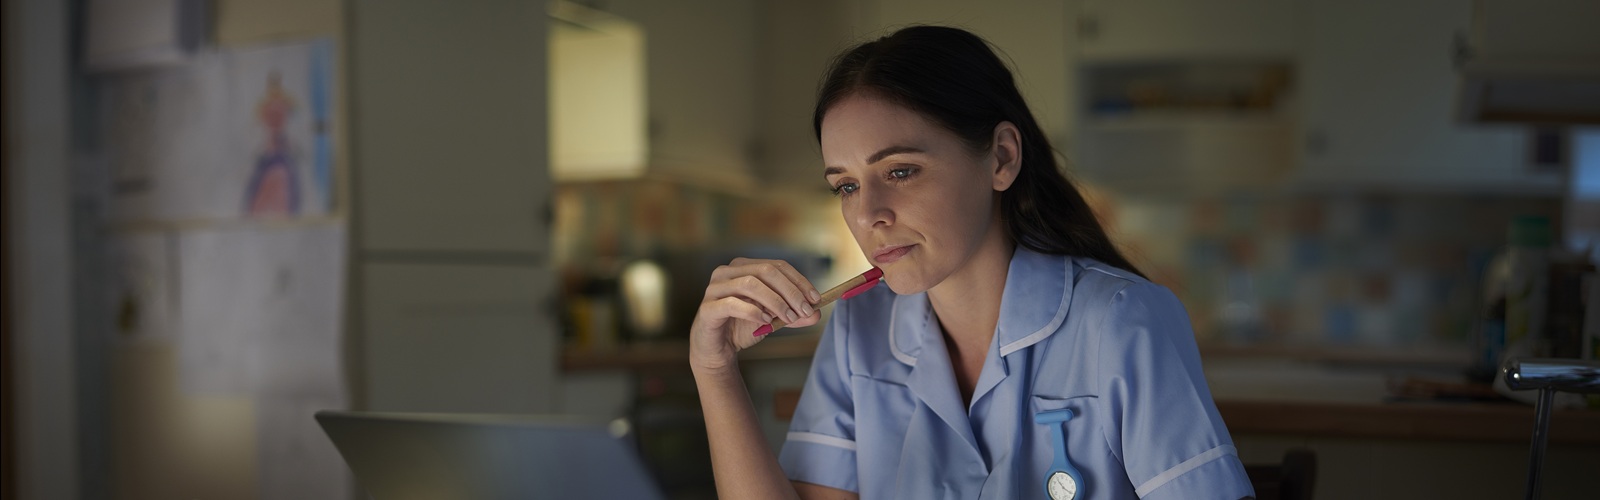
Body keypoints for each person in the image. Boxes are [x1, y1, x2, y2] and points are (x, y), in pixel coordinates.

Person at [688, 25, 1254, 500]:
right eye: (846, 186)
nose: (868, 216)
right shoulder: (858, 331)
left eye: (901, 171)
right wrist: (714, 370)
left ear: (1001, 158)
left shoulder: (1123, 322)